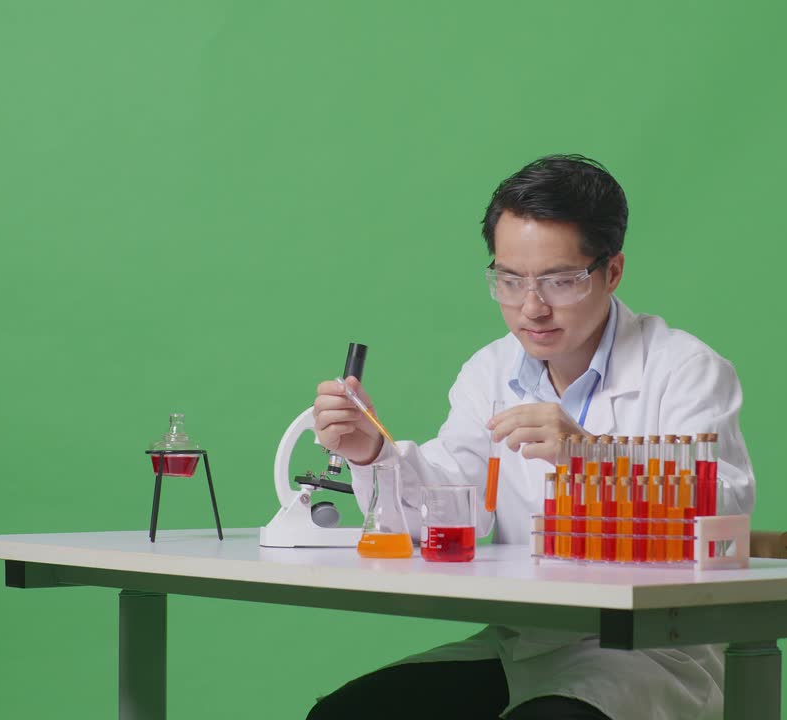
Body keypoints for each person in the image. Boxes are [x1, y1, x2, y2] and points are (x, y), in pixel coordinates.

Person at [307, 154, 755, 720]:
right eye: (509, 279)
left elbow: (723, 515)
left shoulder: (685, 369)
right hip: (522, 642)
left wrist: (592, 457)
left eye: (560, 281)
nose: (531, 307)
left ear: (612, 271)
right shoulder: (491, 371)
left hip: (651, 652)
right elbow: (455, 507)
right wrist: (372, 451)